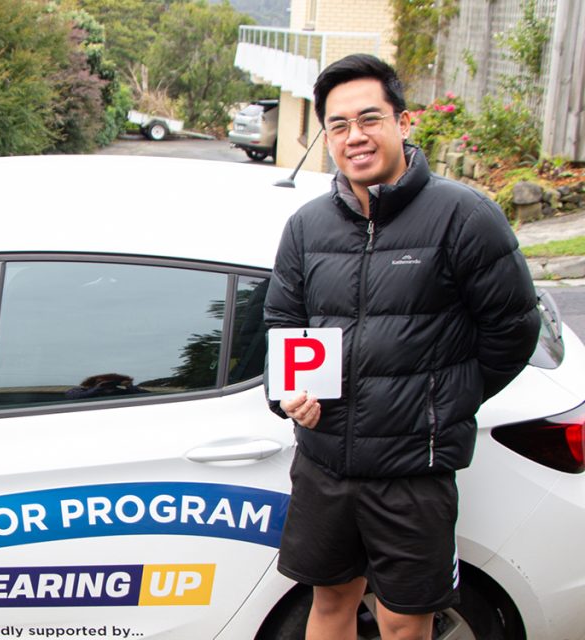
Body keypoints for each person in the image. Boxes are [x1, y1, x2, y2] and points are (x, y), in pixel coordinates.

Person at [263, 54, 540, 640]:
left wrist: (441, 402)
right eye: (338, 125)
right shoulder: (307, 227)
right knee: (331, 601)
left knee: (402, 619)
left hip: (413, 472)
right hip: (324, 463)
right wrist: (290, 396)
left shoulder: (465, 216)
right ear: (327, 136)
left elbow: (513, 328)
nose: (354, 136)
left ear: (403, 122)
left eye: (370, 118)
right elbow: (283, 322)